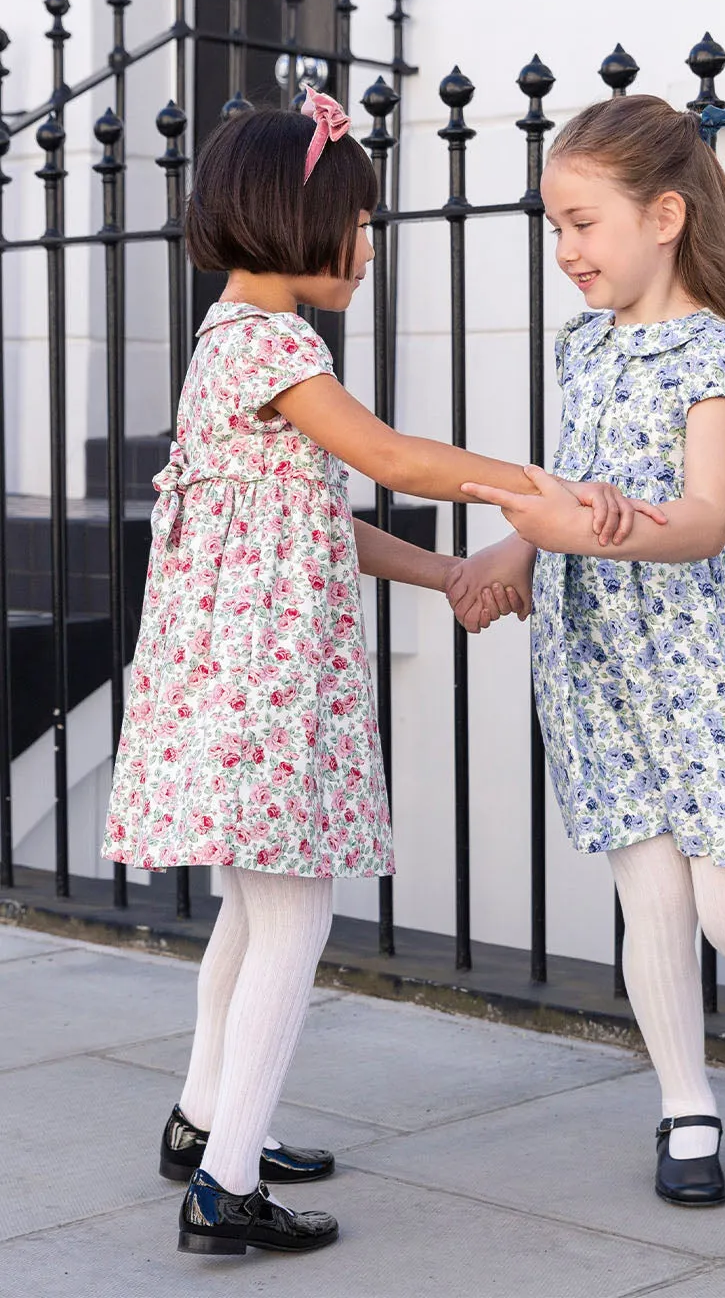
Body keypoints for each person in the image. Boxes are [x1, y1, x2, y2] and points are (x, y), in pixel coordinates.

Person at [100, 89, 662, 1255]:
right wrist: (533, 489)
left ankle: (204, 1123)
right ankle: (227, 1187)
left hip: (232, 684)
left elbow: (326, 516)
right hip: (265, 687)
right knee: (294, 916)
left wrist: (453, 574)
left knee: (250, 920)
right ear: (294, 218)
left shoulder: (230, 339)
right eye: (358, 222)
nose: (368, 246)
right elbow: (390, 455)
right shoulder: (272, 343)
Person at [449, 94, 725, 1208]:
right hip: (602, 654)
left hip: (710, 659)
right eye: (551, 227)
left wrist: (579, 523)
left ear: (662, 216)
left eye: (580, 224)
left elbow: (700, 519)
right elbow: (577, 477)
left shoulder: (721, 354)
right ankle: (683, 1110)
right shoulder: (582, 347)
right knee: (649, 896)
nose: (564, 251)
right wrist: (517, 541)